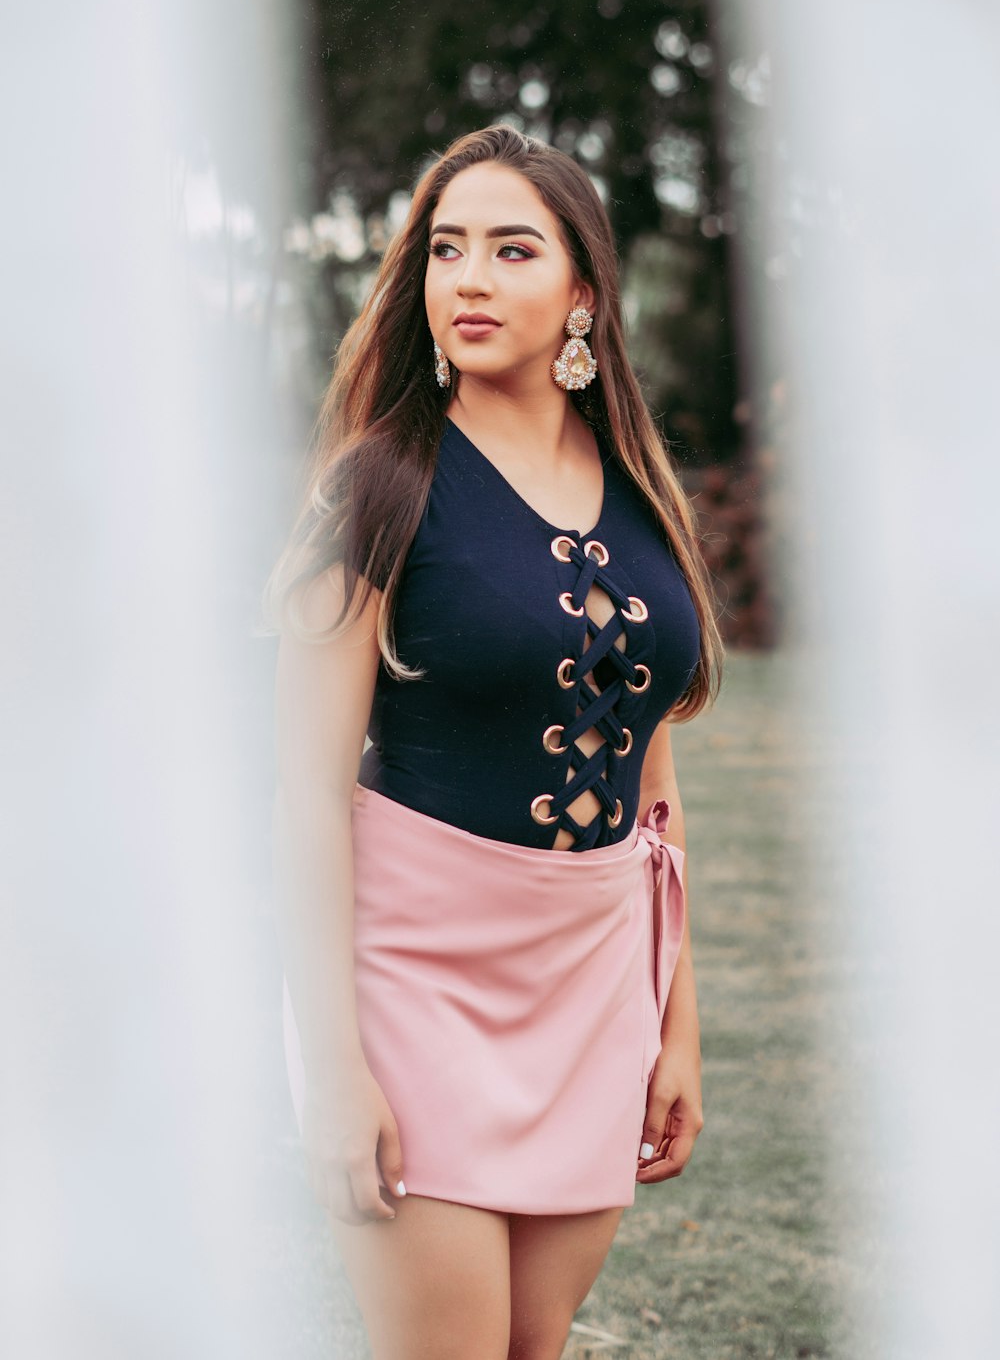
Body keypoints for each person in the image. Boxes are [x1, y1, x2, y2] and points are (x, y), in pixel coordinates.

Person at [263, 122, 725, 1360]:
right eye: (445, 249)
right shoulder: (378, 486)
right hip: (413, 983)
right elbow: (305, 795)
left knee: (533, 1347)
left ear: (583, 292)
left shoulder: (638, 485)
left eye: (511, 250)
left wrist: (673, 1026)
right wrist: (335, 1066)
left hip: (591, 984)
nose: (468, 278)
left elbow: (654, 776)